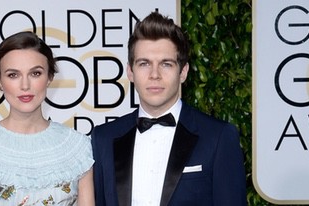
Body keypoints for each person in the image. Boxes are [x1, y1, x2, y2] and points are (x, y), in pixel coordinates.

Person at [91, 12, 246, 206]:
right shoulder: (103, 138)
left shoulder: (219, 137)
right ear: (130, 72)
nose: (154, 74)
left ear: (183, 72)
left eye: (166, 64)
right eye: (144, 63)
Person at [0, 31, 95, 206]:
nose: (25, 85)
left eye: (35, 73)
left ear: (49, 77)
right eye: (13, 75)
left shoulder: (78, 148)